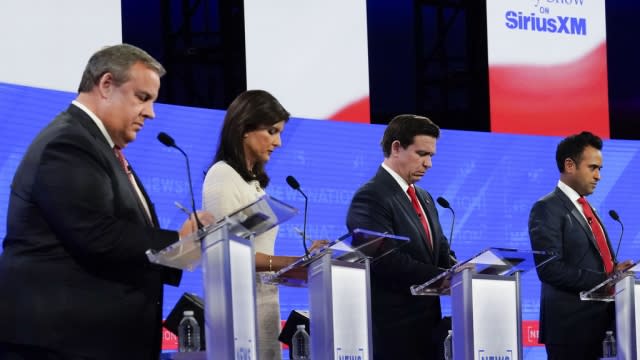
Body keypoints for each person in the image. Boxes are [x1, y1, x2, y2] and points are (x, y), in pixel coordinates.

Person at [0, 44, 213, 360]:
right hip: (62, 343)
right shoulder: (68, 142)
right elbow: (95, 235)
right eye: (143, 98)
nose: (151, 113)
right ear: (105, 85)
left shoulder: (94, 144)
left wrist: (179, 250)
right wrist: (176, 243)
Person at [202, 89, 325, 360]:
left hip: (263, 301)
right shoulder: (222, 175)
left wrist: (303, 261)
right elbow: (226, 254)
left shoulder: (252, 183)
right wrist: (291, 263)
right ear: (244, 128)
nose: (278, 142)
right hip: (238, 311)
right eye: (271, 131)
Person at [346, 114, 454, 360]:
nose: (428, 164)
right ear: (396, 147)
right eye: (422, 154)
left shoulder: (425, 197)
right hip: (392, 332)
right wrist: (445, 278)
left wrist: (461, 272)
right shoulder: (371, 196)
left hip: (429, 331)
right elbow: (385, 260)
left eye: (431, 156)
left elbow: (441, 252)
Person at [528, 131, 632, 359]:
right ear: (570, 165)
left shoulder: (588, 209)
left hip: (605, 327)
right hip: (570, 329)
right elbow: (549, 268)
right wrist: (607, 279)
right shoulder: (547, 207)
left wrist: (615, 272)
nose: (598, 176)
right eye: (593, 168)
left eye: (600, 169)